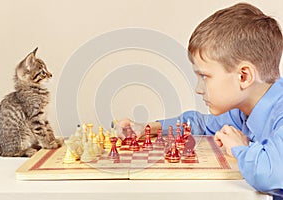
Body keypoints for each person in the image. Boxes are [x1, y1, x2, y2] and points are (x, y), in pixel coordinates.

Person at [116, 3, 283, 199]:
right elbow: (201, 124)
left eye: (205, 76)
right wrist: (146, 128)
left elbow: (271, 175)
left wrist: (240, 148)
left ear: (243, 76)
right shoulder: (243, 110)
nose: (198, 89)